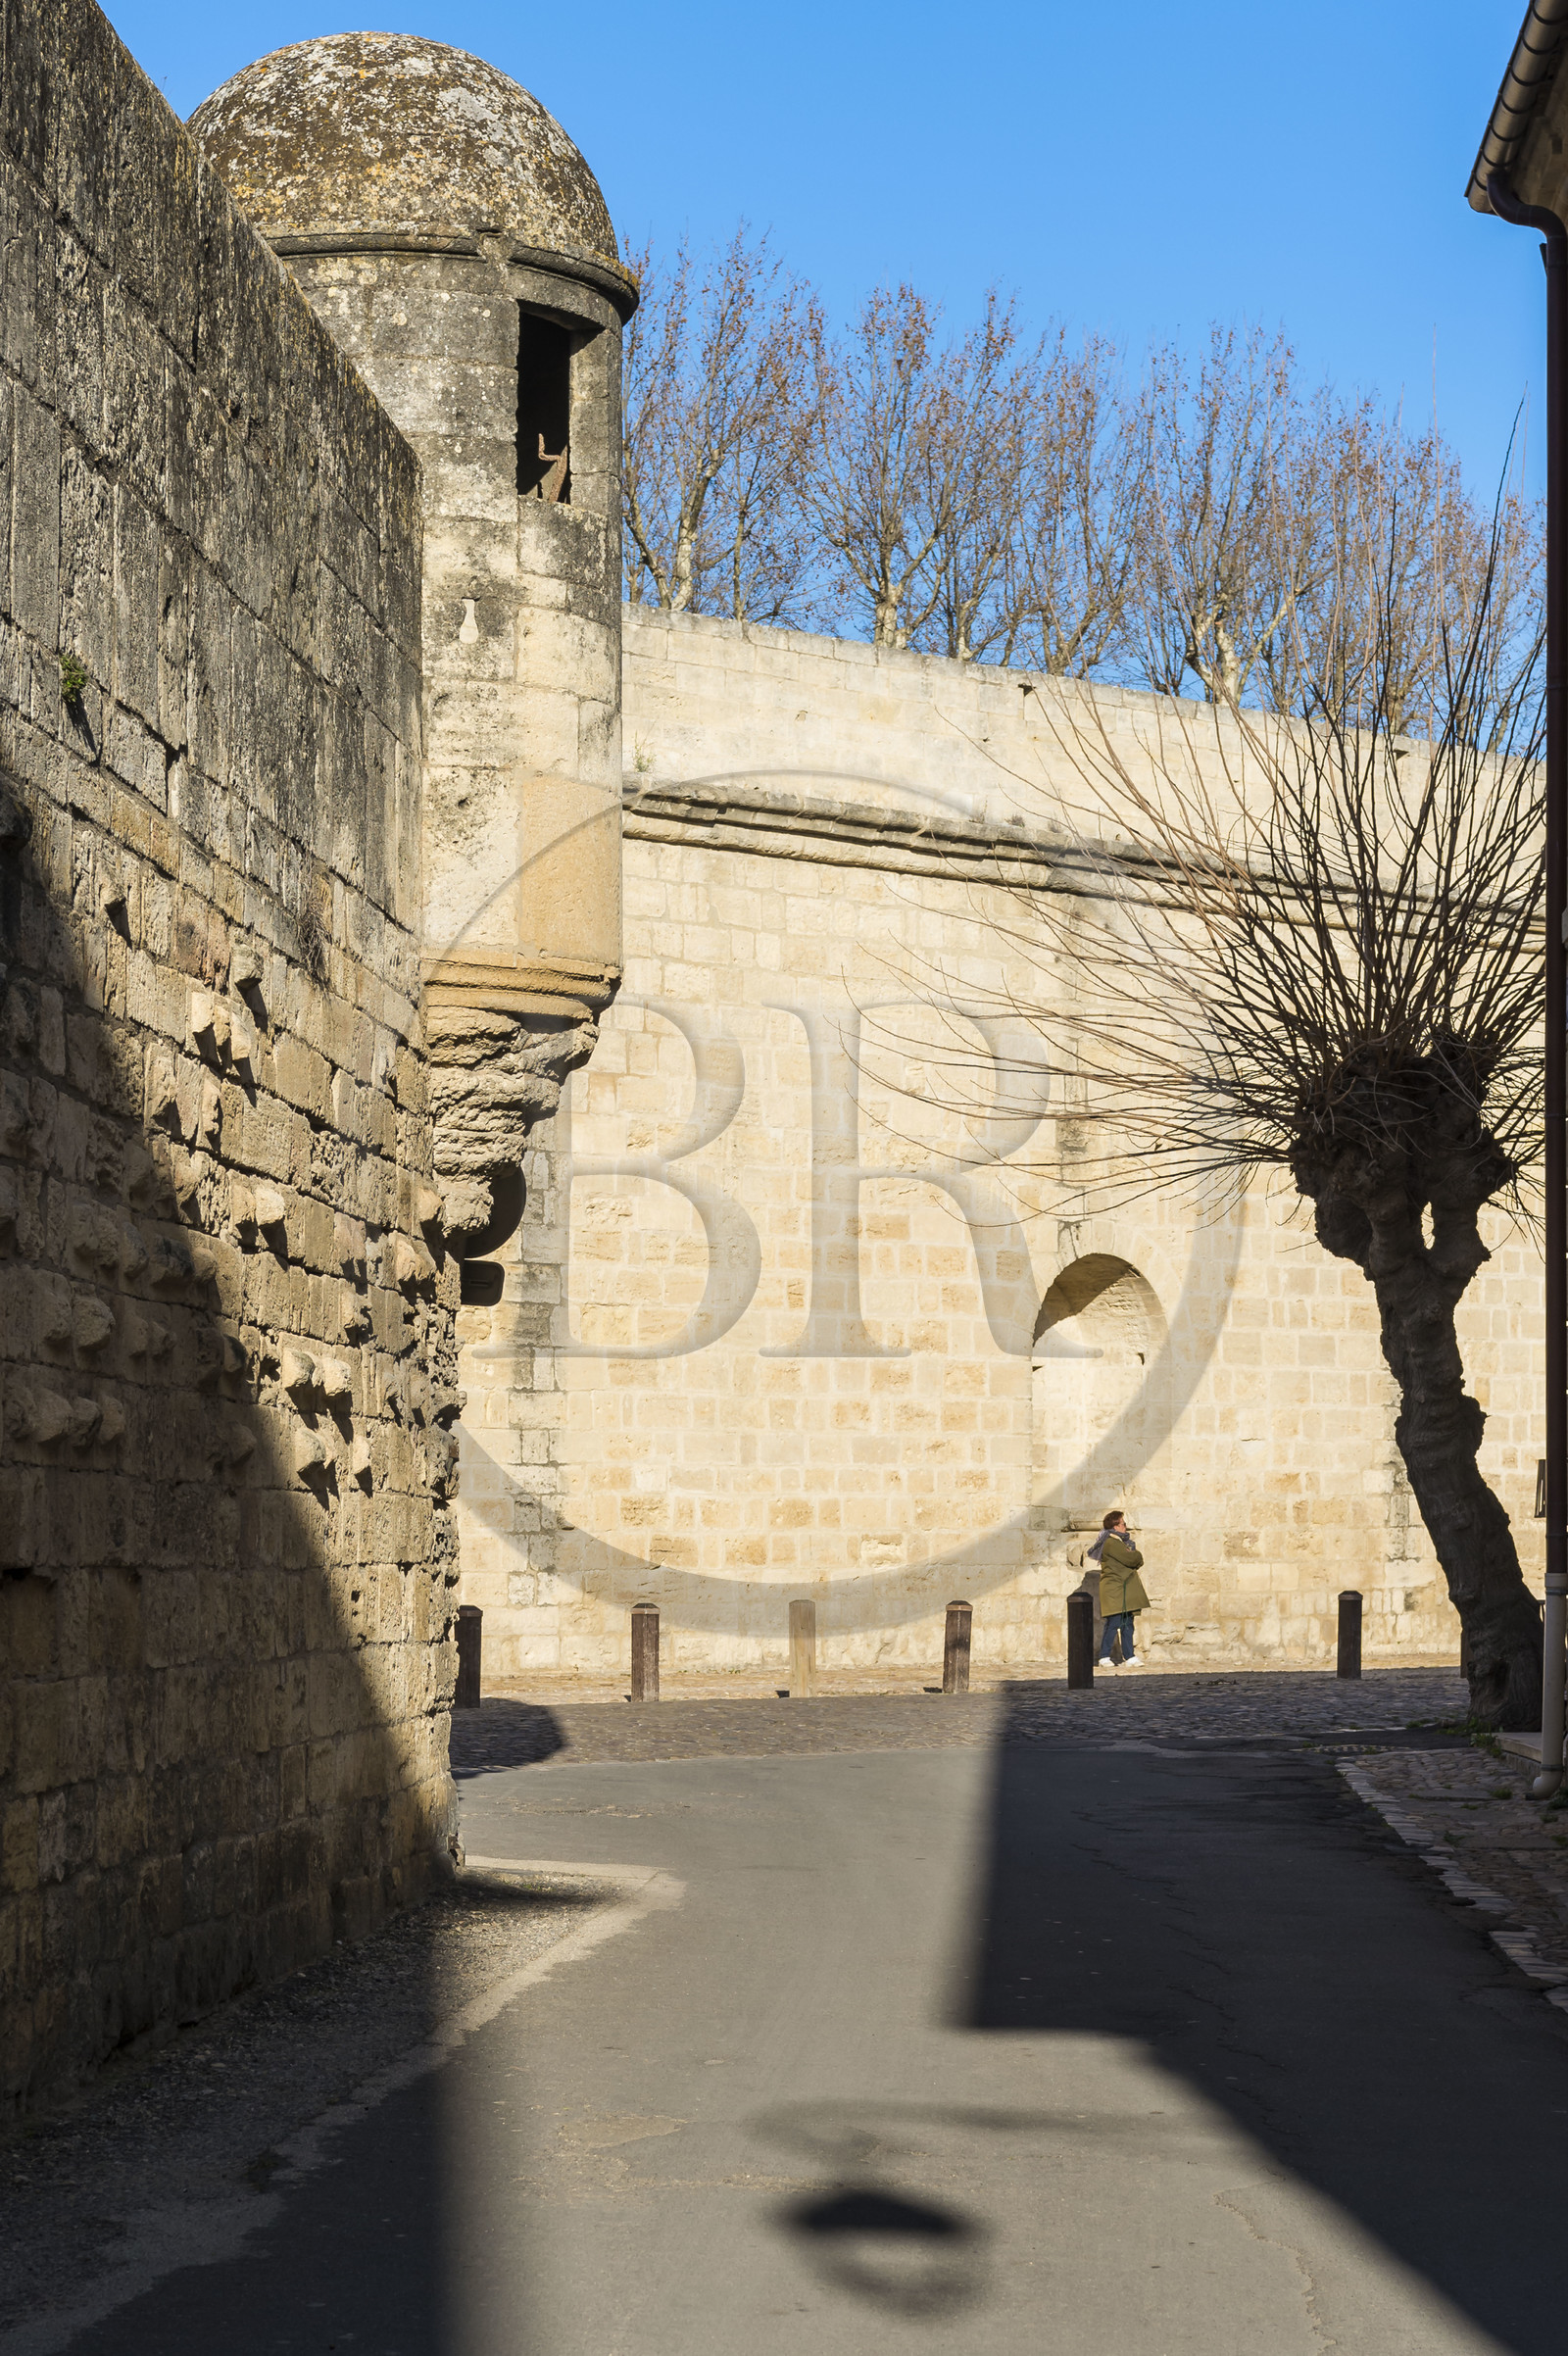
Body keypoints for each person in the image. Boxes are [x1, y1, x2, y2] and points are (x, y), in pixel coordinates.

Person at [1087, 1509, 1150, 1671]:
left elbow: (1133, 1559)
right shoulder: (1111, 1542)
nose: (1125, 1527)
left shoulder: (1120, 1542)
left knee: (1128, 1623)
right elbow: (1133, 1558)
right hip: (1115, 1589)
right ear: (1115, 1526)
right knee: (1113, 1623)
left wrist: (1133, 1555)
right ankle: (1104, 1656)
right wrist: (1134, 1555)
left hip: (1125, 1590)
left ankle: (1129, 1656)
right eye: (1123, 1524)